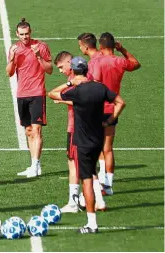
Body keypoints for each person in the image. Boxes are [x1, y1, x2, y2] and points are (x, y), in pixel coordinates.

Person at [48, 56, 126, 233]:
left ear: (74, 71)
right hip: (98, 140)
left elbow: (51, 93)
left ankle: (92, 224)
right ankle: (100, 200)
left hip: (82, 142)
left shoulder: (76, 91)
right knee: (92, 171)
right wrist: (110, 120)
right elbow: (121, 102)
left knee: (87, 181)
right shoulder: (100, 88)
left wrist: (69, 84)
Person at [93, 32, 141, 195]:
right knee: (108, 148)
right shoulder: (120, 62)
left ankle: (99, 179)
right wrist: (123, 50)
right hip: (113, 108)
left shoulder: (97, 61)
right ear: (114, 46)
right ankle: (108, 185)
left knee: (96, 146)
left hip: (97, 108)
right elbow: (136, 64)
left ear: (100, 46)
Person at [6, 18, 53, 178]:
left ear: (30, 32)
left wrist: (39, 56)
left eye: (27, 34)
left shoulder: (41, 46)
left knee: (37, 129)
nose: (25, 37)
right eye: (21, 34)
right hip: (22, 94)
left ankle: (35, 164)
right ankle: (33, 165)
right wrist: (12, 59)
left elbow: (50, 70)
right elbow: (9, 72)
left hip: (37, 93)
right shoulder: (14, 49)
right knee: (28, 131)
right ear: (17, 34)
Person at [76, 33, 106, 211]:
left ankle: (96, 194)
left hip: (94, 112)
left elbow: (91, 85)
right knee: (102, 148)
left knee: (88, 161)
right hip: (104, 106)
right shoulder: (105, 57)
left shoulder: (93, 63)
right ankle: (103, 182)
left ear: (85, 46)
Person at [53, 51, 79, 213]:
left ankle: (73, 202)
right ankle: (94, 198)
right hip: (85, 126)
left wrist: (61, 99)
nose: (61, 71)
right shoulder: (82, 78)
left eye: (62, 67)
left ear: (70, 62)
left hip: (75, 127)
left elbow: (54, 93)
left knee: (73, 164)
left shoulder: (74, 81)